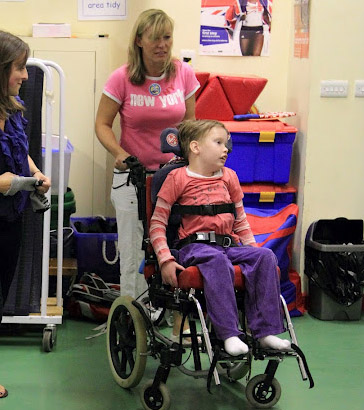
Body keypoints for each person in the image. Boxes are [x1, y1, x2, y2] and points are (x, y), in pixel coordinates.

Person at [149, 119, 291, 356]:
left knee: (265, 256)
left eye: (226, 144)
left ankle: (265, 332)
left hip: (228, 244)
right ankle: (229, 334)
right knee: (216, 261)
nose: (226, 149)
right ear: (195, 147)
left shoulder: (229, 177)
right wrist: (164, 260)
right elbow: (157, 223)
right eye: (218, 142)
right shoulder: (176, 178)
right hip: (194, 247)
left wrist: (252, 251)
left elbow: (241, 221)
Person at [95, 9, 200, 302]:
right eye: (155, 38)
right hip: (134, 178)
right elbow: (102, 124)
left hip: (174, 176)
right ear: (139, 40)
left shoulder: (183, 73)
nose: (162, 45)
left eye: (167, 37)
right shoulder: (122, 78)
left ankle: (169, 309)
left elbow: (190, 126)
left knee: (174, 244)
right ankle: (134, 316)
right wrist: (118, 152)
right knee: (133, 250)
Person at [0, 31, 51, 398]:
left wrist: (33, 173)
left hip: (10, 219)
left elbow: (20, 151)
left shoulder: (13, 107)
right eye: (19, 67)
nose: (25, 76)